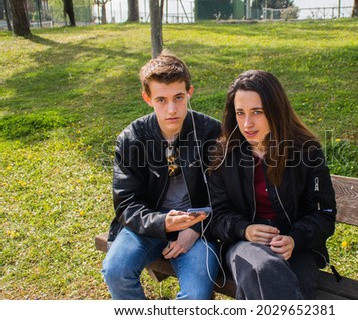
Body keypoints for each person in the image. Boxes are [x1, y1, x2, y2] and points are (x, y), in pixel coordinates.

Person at [102, 51, 221, 300]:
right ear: (147, 98)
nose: (171, 109)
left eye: (179, 98)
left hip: (198, 229)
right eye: (161, 100)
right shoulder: (132, 138)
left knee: (197, 295)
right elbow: (126, 204)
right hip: (147, 226)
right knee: (115, 271)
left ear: (190, 93)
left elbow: (226, 196)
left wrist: (197, 227)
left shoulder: (212, 133)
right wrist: (163, 223)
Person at [208, 70, 337, 300]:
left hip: (295, 247)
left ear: (275, 110)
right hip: (242, 244)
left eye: (257, 112)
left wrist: (295, 239)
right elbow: (216, 216)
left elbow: (324, 215)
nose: (247, 123)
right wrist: (244, 229)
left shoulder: (307, 151)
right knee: (262, 268)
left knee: (289, 282)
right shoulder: (224, 155)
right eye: (240, 113)